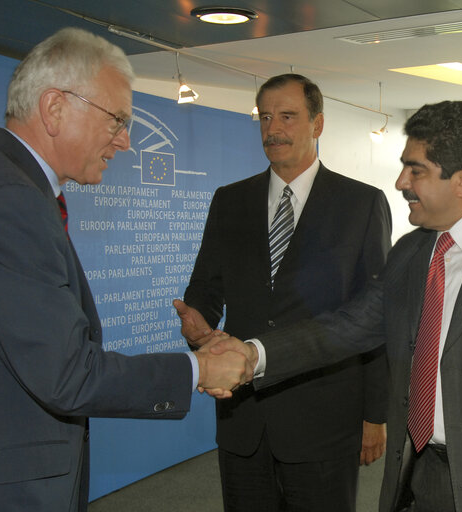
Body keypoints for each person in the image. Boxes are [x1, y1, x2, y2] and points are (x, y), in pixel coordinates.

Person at [210, 100, 462, 511]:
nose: (402, 181)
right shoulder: (409, 253)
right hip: (423, 482)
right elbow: (348, 326)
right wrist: (253, 354)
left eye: (416, 170)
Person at [0, 28, 250, 512]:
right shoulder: (6, 199)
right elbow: (66, 374)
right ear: (55, 108)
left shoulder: (8, 185)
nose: (125, 141)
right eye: (118, 120)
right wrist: (200, 367)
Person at [173, 73, 391, 511]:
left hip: (325, 418)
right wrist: (198, 322)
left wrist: (375, 414)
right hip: (244, 416)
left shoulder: (361, 204)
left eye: (288, 116)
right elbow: (206, 286)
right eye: (266, 117)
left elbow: (375, 316)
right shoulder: (229, 201)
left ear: (318, 124)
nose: (274, 129)